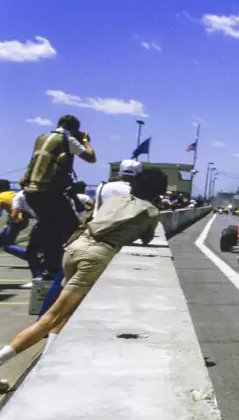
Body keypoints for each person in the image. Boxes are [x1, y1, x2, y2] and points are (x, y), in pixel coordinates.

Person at [0, 168, 166, 392]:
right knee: (52, 318)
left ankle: (46, 364)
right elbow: (147, 238)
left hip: (75, 247)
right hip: (97, 254)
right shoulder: (151, 211)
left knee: (66, 316)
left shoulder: (114, 200)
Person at [19, 115, 96, 281]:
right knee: (71, 229)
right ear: (74, 128)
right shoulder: (67, 139)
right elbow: (91, 157)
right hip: (50, 193)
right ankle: (60, 268)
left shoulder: (42, 138)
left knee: (50, 230)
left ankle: (49, 268)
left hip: (33, 193)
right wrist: (85, 141)